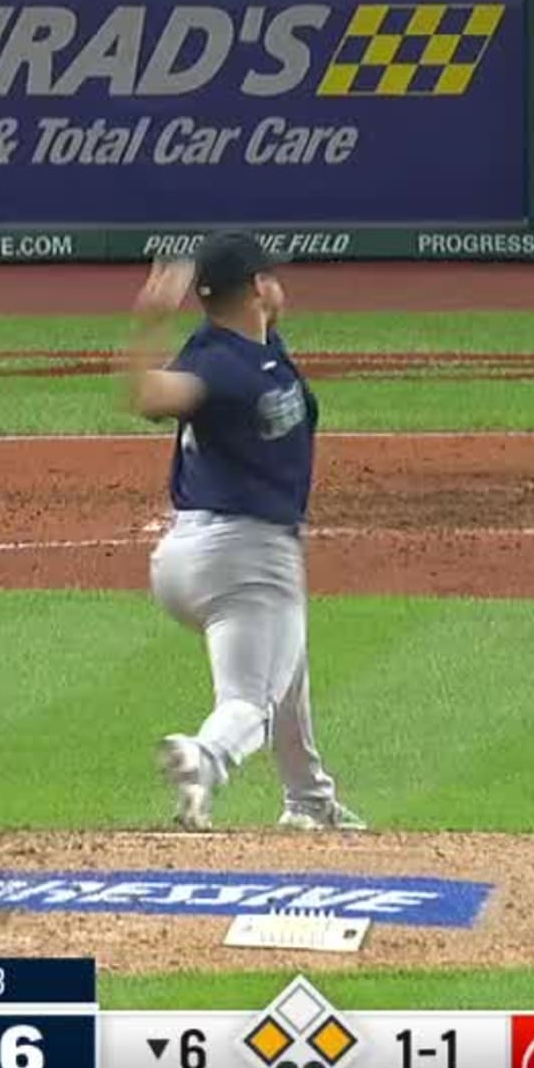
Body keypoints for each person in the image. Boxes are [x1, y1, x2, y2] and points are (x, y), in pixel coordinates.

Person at [124, 232, 364, 833]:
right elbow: (149, 395)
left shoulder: (242, 345)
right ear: (258, 286)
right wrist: (147, 322)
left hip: (188, 554)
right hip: (247, 557)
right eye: (269, 275)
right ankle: (205, 757)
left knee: (288, 666)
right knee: (249, 704)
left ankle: (309, 800)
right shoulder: (218, 367)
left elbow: (245, 335)